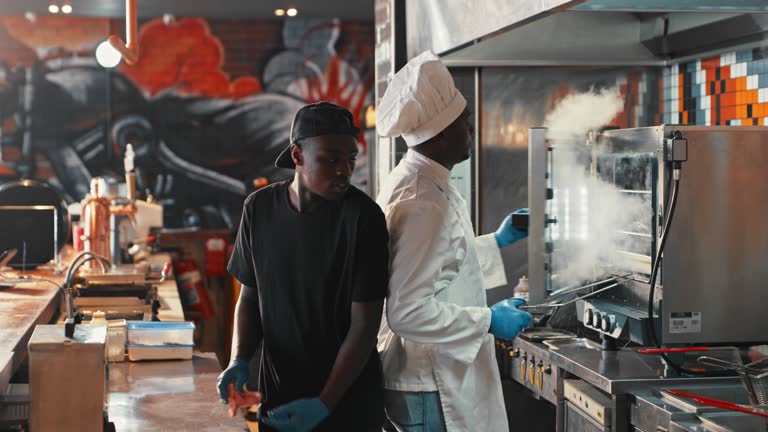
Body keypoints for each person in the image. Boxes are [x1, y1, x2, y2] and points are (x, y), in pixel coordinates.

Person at [375, 51, 532, 432]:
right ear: (441, 132)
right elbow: (408, 310)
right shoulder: (423, 200)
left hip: (428, 378)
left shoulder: (423, 180)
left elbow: (428, 263)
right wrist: (488, 320)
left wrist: (495, 242)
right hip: (430, 381)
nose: (472, 131)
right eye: (466, 123)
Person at [218, 102, 389, 432]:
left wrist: (325, 402)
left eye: (350, 159)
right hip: (279, 399)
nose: (344, 170)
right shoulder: (259, 209)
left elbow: (364, 326)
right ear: (297, 156)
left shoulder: (363, 219)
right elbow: (250, 299)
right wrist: (238, 358)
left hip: (347, 404)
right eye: (332, 158)